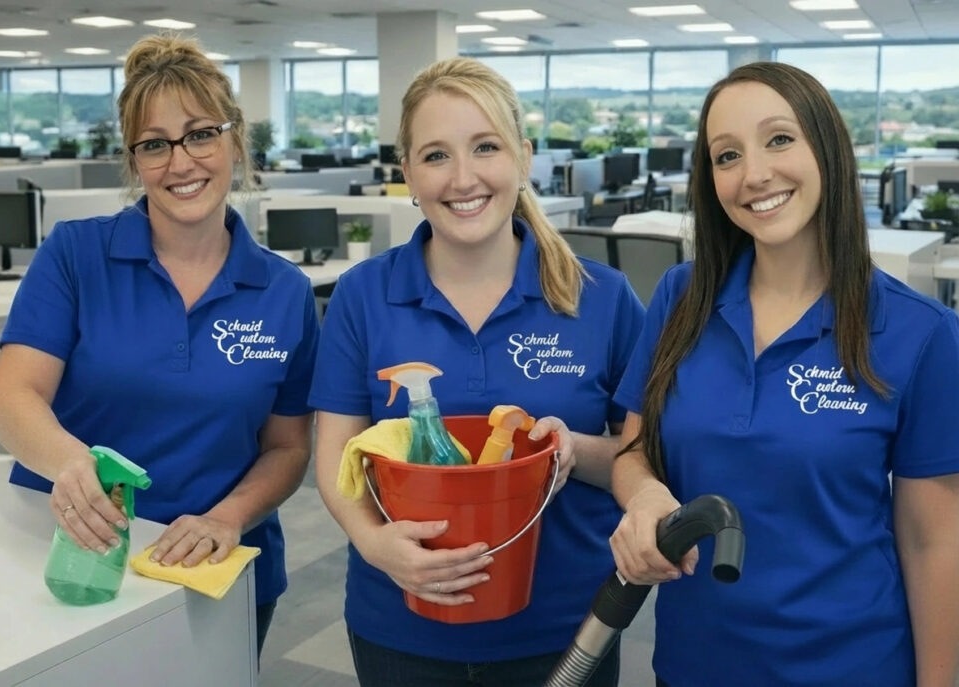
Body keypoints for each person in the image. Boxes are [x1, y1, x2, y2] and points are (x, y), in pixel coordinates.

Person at [608, 61, 959, 687]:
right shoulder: (680, 298)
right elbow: (634, 451)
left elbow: (932, 543)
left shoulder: (920, 333)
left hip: (851, 666)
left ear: (826, 146)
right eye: (726, 155)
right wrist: (645, 495)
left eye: (778, 139)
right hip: (694, 665)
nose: (755, 174)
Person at [308, 57, 645, 686]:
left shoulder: (602, 296)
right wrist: (373, 545)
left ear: (521, 156)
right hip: (401, 625)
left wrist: (575, 450)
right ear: (407, 173)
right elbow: (335, 456)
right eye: (436, 155)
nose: (463, 178)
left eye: (484, 147)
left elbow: (643, 453)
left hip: (566, 628)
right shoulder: (361, 297)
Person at [0, 34, 318, 656]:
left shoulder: (284, 291)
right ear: (134, 159)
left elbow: (287, 447)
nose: (181, 161)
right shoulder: (75, 253)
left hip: (212, 569)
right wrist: (70, 464)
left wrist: (229, 516)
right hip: (72, 556)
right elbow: (14, 395)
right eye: (155, 144)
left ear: (234, 140)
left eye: (200, 133)